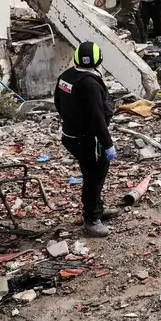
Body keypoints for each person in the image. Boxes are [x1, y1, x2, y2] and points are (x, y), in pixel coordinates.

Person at [54, 42, 119, 237]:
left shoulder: (66, 76)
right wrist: (108, 144)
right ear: (98, 60)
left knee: (90, 172)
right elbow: (97, 118)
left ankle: (97, 208)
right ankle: (91, 218)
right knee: (95, 176)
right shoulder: (90, 84)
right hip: (88, 139)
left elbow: (57, 102)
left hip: (70, 135)